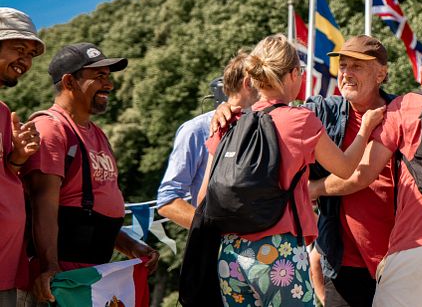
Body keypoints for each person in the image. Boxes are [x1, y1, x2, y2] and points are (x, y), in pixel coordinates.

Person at [198, 34, 384, 307]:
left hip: (230, 257)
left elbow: (204, 197)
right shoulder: (299, 120)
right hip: (278, 254)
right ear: (294, 74)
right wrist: (366, 129)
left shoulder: (228, 123)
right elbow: (345, 168)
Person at [313, 46, 422, 307]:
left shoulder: (405, 107)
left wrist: (314, 188)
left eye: (358, 66)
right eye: (343, 65)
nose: (347, 73)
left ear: (421, 75)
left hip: (415, 250)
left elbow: (360, 175)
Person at [21, 43, 159, 306]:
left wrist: (130, 246)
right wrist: (50, 268)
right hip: (62, 281)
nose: (109, 84)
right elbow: (43, 205)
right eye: (99, 77)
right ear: (69, 81)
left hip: (92, 275)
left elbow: (95, 210)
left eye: (108, 76)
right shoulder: (51, 129)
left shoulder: (97, 134)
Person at [157, 54, 256, 229]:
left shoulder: (264, 126)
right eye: (264, 80)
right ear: (248, 83)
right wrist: (212, 233)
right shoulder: (195, 130)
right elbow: (168, 201)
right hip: (218, 250)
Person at [0, 8, 44, 307]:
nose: (25, 62)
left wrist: (16, 159)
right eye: (18, 49)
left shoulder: (4, 113)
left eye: (30, 54)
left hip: (6, 272)